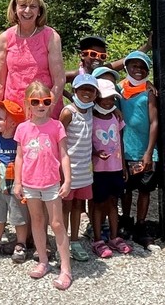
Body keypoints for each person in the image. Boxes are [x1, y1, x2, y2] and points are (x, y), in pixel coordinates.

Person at [14, 81, 72, 291]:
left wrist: (67, 180)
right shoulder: (22, 128)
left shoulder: (56, 126)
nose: (41, 105)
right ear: (27, 104)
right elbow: (20, 157)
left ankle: (65, 267)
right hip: (30, 183)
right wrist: (18, 182)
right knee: (37, 221)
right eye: (35, 101)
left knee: (57, 224)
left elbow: (64, 154)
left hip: (51, 183)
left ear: (51, 102)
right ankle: (43, 261)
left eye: (46, 101)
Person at [0, 0, 66, 119]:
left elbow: (59, 81)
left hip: (44, 111)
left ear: (39, 11)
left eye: (33, 6)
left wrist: (45, 110)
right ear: (15, 8)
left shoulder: (51, 36)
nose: (27, 10)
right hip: (13, 110)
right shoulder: (5, 37)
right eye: (23, 5)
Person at [118, 50, 159, 247]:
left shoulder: (149, 93)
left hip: (145, 151)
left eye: (143, 67)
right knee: (126, 189)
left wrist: (149, 152)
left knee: (144, 190)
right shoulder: (119, 91)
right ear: (127, 68)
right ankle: (125, 220)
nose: (138, 70)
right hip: (124, 150)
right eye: (134, 66)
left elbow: (154, 122)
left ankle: (141, 225)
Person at [91, 78, 131, 257]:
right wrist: (95, 153)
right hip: (98, 169)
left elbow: (120, 141)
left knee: (114, 203)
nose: (108, 102)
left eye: (112, 99)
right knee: (99, 204)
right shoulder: (90, 117)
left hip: (115, 167)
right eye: (104, 98)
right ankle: (98, 239)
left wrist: (123, 166)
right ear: (96, 98)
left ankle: (115, 237)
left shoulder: (116, 116)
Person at [0, 98, 28, 262]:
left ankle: (21, 244)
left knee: (19, 216)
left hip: (16, 185)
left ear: (13, 123)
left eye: (0, 118)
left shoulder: (19, 140)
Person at [60, 73, 96, 262]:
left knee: (78, 206)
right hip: (69, 169)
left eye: (91, 90)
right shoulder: (68, 112)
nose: (87, 93)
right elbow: (59, 138)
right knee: (65, 206)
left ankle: (75, 240)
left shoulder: (90, 110)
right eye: (83, 89)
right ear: (75, 91)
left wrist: (116, 111)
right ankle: (63, 241)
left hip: (84, 169)